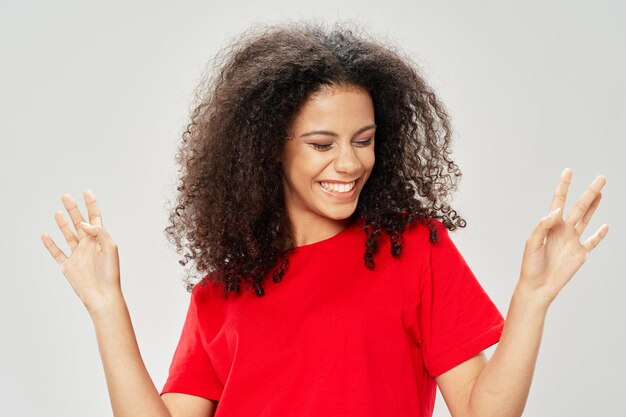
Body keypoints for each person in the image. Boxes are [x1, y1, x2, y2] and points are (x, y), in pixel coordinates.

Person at [40, 21, 608, 417]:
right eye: (321, 143)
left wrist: (531, 298)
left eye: (364, 140)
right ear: (270, 149)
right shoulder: (223, 292)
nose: (350, 162)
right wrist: (106, 307)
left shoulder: (412, 249)